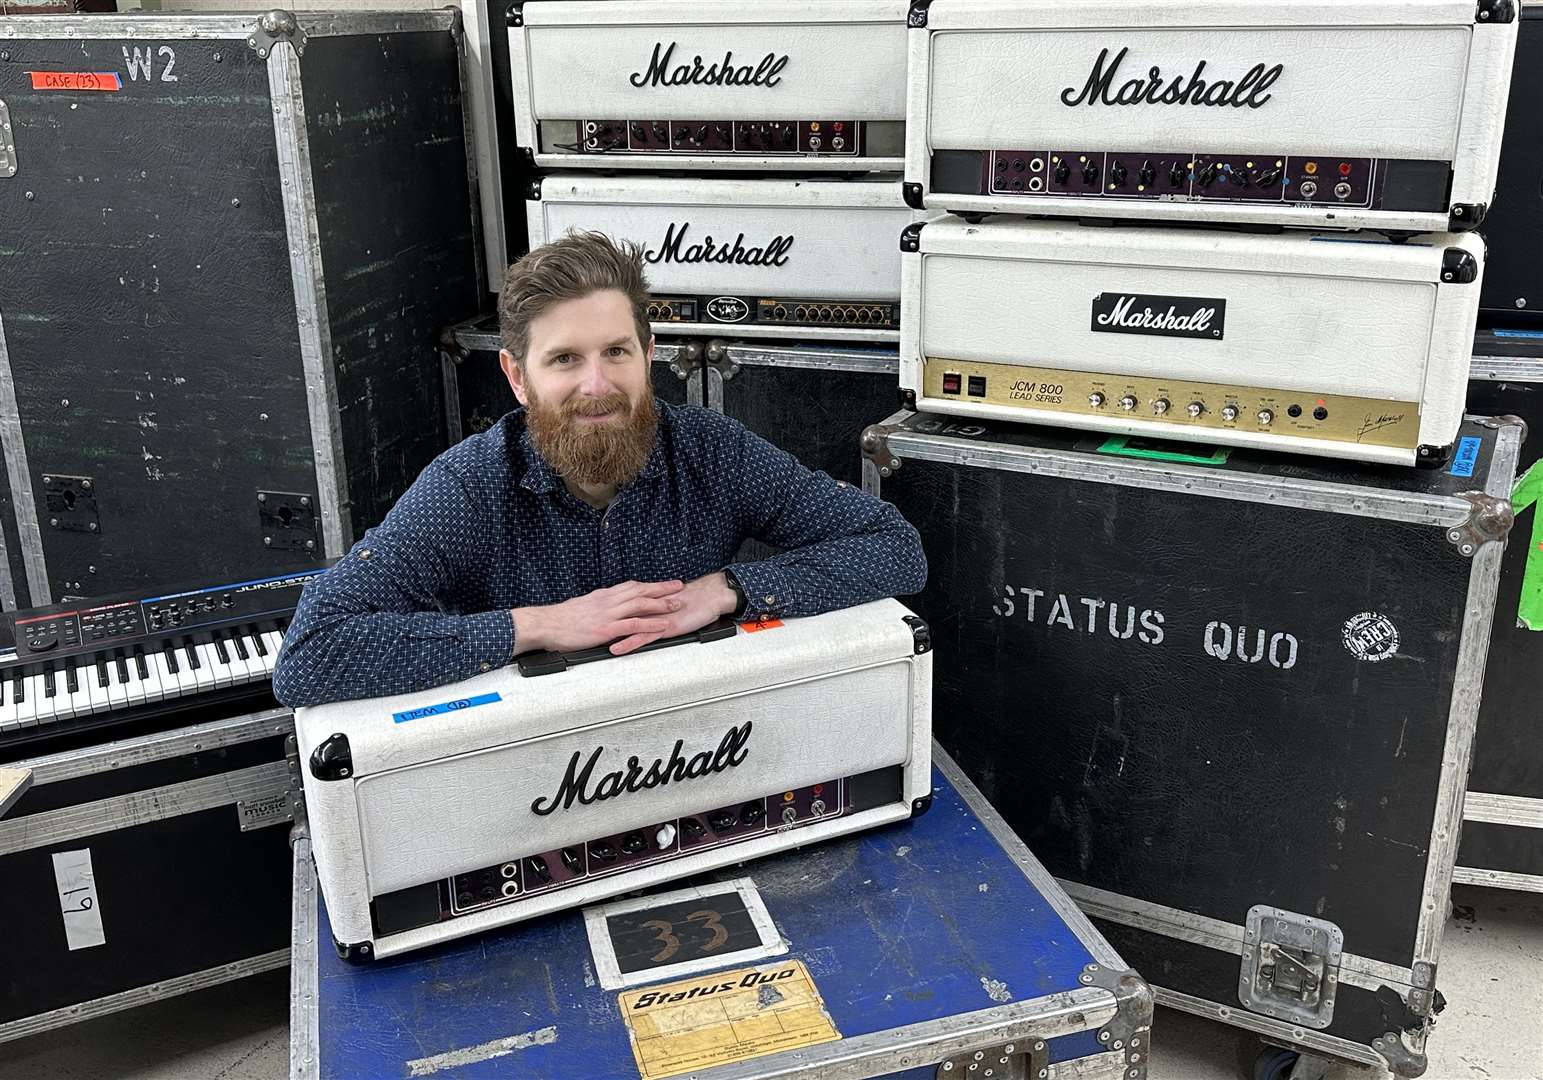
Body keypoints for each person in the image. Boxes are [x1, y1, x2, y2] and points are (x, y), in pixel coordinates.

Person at [272, 231, 926, 707]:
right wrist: (542, 625)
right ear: (515, 376)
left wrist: (726, 590)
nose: (596, 384)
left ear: (648, 354)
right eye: (563, 360)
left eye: (616, 352)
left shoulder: (713, 451)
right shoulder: (466, 488)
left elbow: (893, 547)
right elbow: (310, 654)